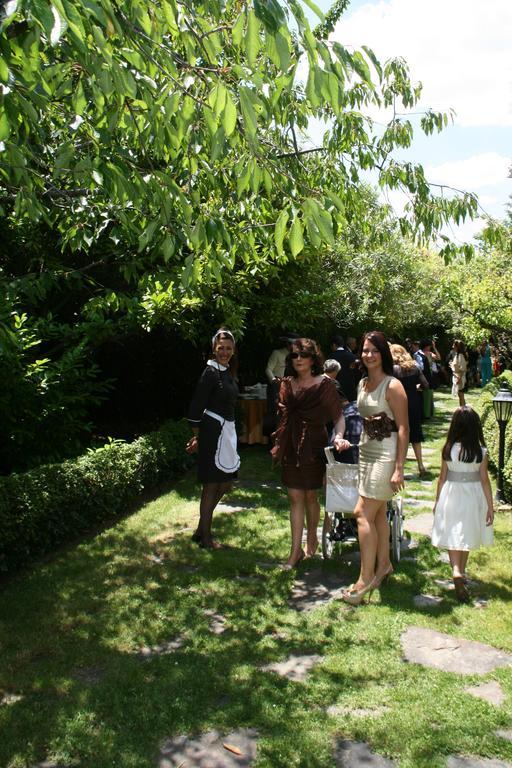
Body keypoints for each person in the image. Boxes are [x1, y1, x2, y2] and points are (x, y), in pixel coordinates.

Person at [341, 331, 409, 606]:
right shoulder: (362, 383)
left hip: (387, 453)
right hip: (367, 450)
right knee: (378, 513)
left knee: (361, 513)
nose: (368, 355)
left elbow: (404, 428)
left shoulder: (393, 386)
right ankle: (384, 565)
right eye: (365, 350)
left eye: (374, 351)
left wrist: (399, 468)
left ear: (384, 354)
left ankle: (364, 578)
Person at [272, 339, 350, 568]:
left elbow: (338, 416)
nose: (298, 359)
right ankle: (295, 551)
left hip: (313, 446)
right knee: (295, 497)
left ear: (313, 359)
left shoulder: (324, 384)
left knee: (310, 496)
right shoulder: (286, 384)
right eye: (294, 355)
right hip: (290, 445)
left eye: (303, 355)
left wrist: (338, 436)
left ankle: (313, 536)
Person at [431, 406, 493, 602]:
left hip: (451, 493)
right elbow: (485, 480)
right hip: (472, 495)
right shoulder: (481, 452)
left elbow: (442, 478)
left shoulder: (448, 449)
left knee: (452, 532)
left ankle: (457, 570)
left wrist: (437, 500)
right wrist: (490, 506)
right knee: (466, 532)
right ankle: (461, 571)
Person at [186, 329, 240, 549]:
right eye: (221, 348)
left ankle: (201, 529)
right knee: (211, 486)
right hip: (213, 432)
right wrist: (198, 437)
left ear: (233, 350)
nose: (224, 352)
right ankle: (206, 539)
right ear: (214, 349)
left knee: (225, 483)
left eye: (228, 348)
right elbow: (195, 408)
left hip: (225, 432)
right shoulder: (210, 372)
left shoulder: (227, 371)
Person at [390, 344, 429, 477]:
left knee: (398, 433)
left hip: (397, 402)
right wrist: (416, 389)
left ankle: (397, 468)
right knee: (416, 434)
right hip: (413, 401)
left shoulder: (392, 370)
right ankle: (421, 465)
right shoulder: (415, 367)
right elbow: (426, 385)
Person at [450, 340, 468, 407]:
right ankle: (463, 409)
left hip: (459, 377)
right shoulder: (457, 355)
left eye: (454, 345)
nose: (452, 346)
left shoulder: (460, 355)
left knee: (461, 395)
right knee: (460, 395)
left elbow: (463, 368)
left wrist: (459, 378)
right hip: (457, 377)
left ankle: (463, 410)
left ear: (457, 347)